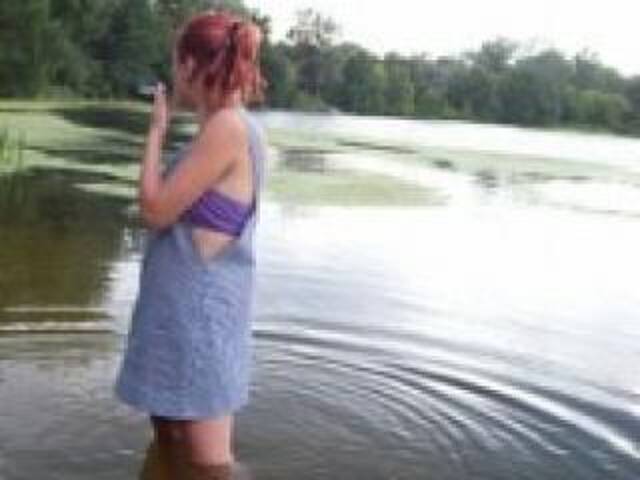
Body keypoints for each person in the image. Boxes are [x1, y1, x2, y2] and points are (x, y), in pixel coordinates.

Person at [113, 9, 267, 480]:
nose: (173, 73)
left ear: (190, 65)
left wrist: (156, 130)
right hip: (179, 319)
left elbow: (154, 209)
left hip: (199, 324)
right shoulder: (221, 127)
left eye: (175, 62)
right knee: (171, 452)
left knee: (209, 468)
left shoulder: (229, 128)